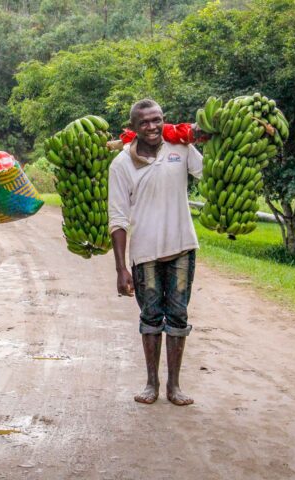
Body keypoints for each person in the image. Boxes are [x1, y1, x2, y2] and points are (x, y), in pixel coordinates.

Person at [108, 99, 203, 406]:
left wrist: (213, 137)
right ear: (133, 128)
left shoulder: (180, 149)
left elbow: (208, 173)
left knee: (178, 315)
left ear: (164, 120)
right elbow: (118, 218)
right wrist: (120, 268)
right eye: (145, 122)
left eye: (157, 120)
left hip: (182, 247)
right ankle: (152, 384)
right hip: (145, 252)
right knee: (150, 316)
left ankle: (174, 386)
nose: (152, 127)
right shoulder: (121, 164)